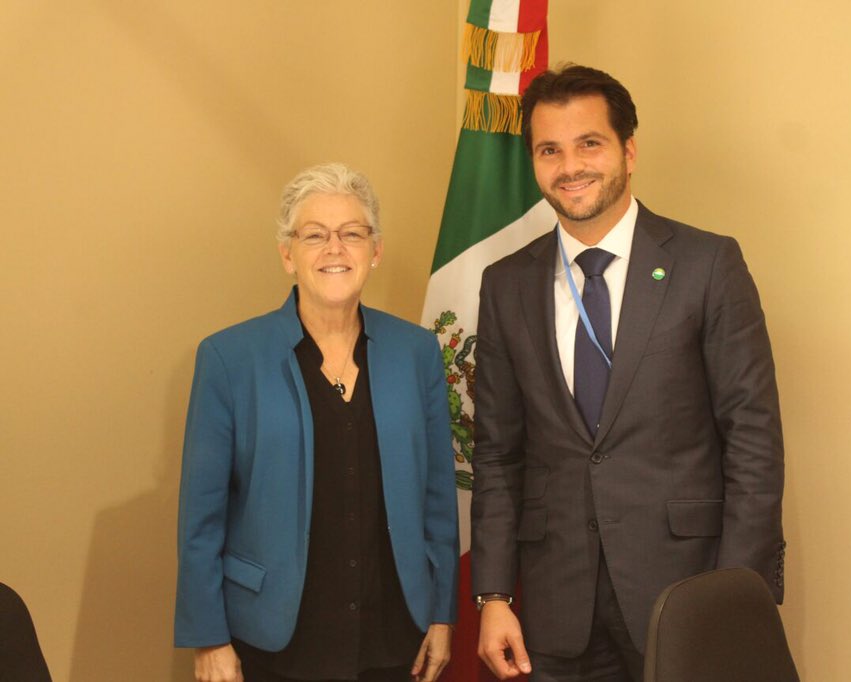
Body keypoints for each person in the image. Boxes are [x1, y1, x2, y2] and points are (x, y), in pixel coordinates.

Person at [471, 64, 786, 681]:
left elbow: (753, 438)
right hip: (555, 607)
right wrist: (494, 595)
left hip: (686, 595)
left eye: (589, 143)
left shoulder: (707, 264)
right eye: (549, 150)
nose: (570, 167)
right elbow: (497, 453)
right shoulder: (505, 284)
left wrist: (736, 592)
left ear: (629, 150)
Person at [175, 163, 459, 682]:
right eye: (314, 235)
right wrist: (209, 637)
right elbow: (201, 516)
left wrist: (442, 613)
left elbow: (439, 497)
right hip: (273, 638)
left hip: (394, 636)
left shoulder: (417, 352)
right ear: (288, 254)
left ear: (375, 250)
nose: (335, 249)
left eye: (352, 234)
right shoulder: (229, 358)